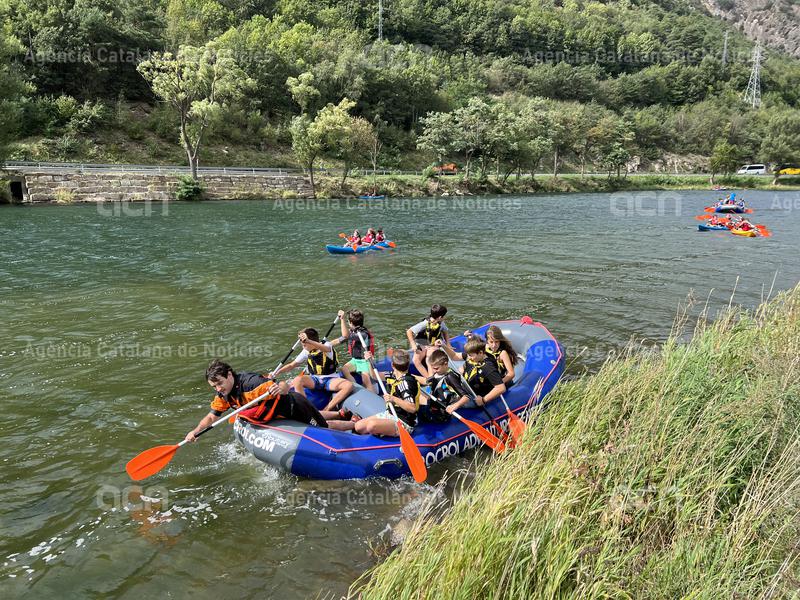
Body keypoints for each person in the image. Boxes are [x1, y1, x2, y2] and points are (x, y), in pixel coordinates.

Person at [185, 359, 328, 442]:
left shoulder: (251, 383)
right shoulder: (224, 395)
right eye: (214, 386)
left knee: (324, 429)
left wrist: (279, 389)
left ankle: (346, 419)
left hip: (296, 407)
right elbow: (211, 417)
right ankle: (340, 414)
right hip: (279, 416)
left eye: (219, 383)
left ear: (229, 375)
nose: (218, 389)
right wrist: (195, 431)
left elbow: (283, 386)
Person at [271, 327, 354, 412]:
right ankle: (305, 407)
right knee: (297, 380)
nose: (302, 345)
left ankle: (327, 409)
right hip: (315, 379)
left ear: (311, 341)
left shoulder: (327, 345)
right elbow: (292, 365)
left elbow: (326, 349)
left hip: (331, 378)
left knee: (348, 386)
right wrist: (277, 372)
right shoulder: (306, 351)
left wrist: (308, 341)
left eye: (304, 343)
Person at [354, 349, 420, 436]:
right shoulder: (393, 375)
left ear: (392, 365)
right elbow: (374, 375)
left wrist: (393, 398)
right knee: (358, 426)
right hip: (390, 414)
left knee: (371, 426)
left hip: (404, 422)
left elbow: (412, 408)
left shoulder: (405, 383)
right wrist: (370, 361)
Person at [445, 337, 506, 413]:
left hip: (477, 396)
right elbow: (454, 356)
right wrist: (444, 345)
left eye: (471, 355)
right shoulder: (472, 356)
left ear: (480, 353)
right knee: (449, 378)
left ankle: (454, 404)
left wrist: (484, 400)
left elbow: (501, 388)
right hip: (468, 389)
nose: (469, 358)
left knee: (450, 402)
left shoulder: (488, 367)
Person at [418, 349, 469, 423]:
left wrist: (454, 406)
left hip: (442, 413)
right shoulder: (439, 372)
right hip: (433, 405)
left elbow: (466, 397)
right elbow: (427, 381)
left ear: (445, 364)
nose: (434, 371)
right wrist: (411, 376)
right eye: (432, 368)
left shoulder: (450, 377)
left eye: (436, 368)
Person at [334, 309, 375, 393]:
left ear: (350, 322)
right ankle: (356, 389)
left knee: (366, 380)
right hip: (355, 361)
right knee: (344, 369)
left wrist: (342, 319)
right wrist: (324, 345)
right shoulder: (352, 332)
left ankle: (372, 397)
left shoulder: (363, 334)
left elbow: (345, 336)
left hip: (365, 361)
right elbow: (339, 340)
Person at [406, 304, 450, 377]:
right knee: (416, 360)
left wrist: (448, 344)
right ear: (439, 317)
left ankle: (431, 376)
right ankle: (428, 379)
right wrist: (413, 345)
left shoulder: (441, 323)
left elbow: (445, 331)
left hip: (433, 345)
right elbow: (409, 331)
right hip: (422, 344)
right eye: (444, 316)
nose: (445, 317)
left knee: (429, 357)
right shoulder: (425, 323)